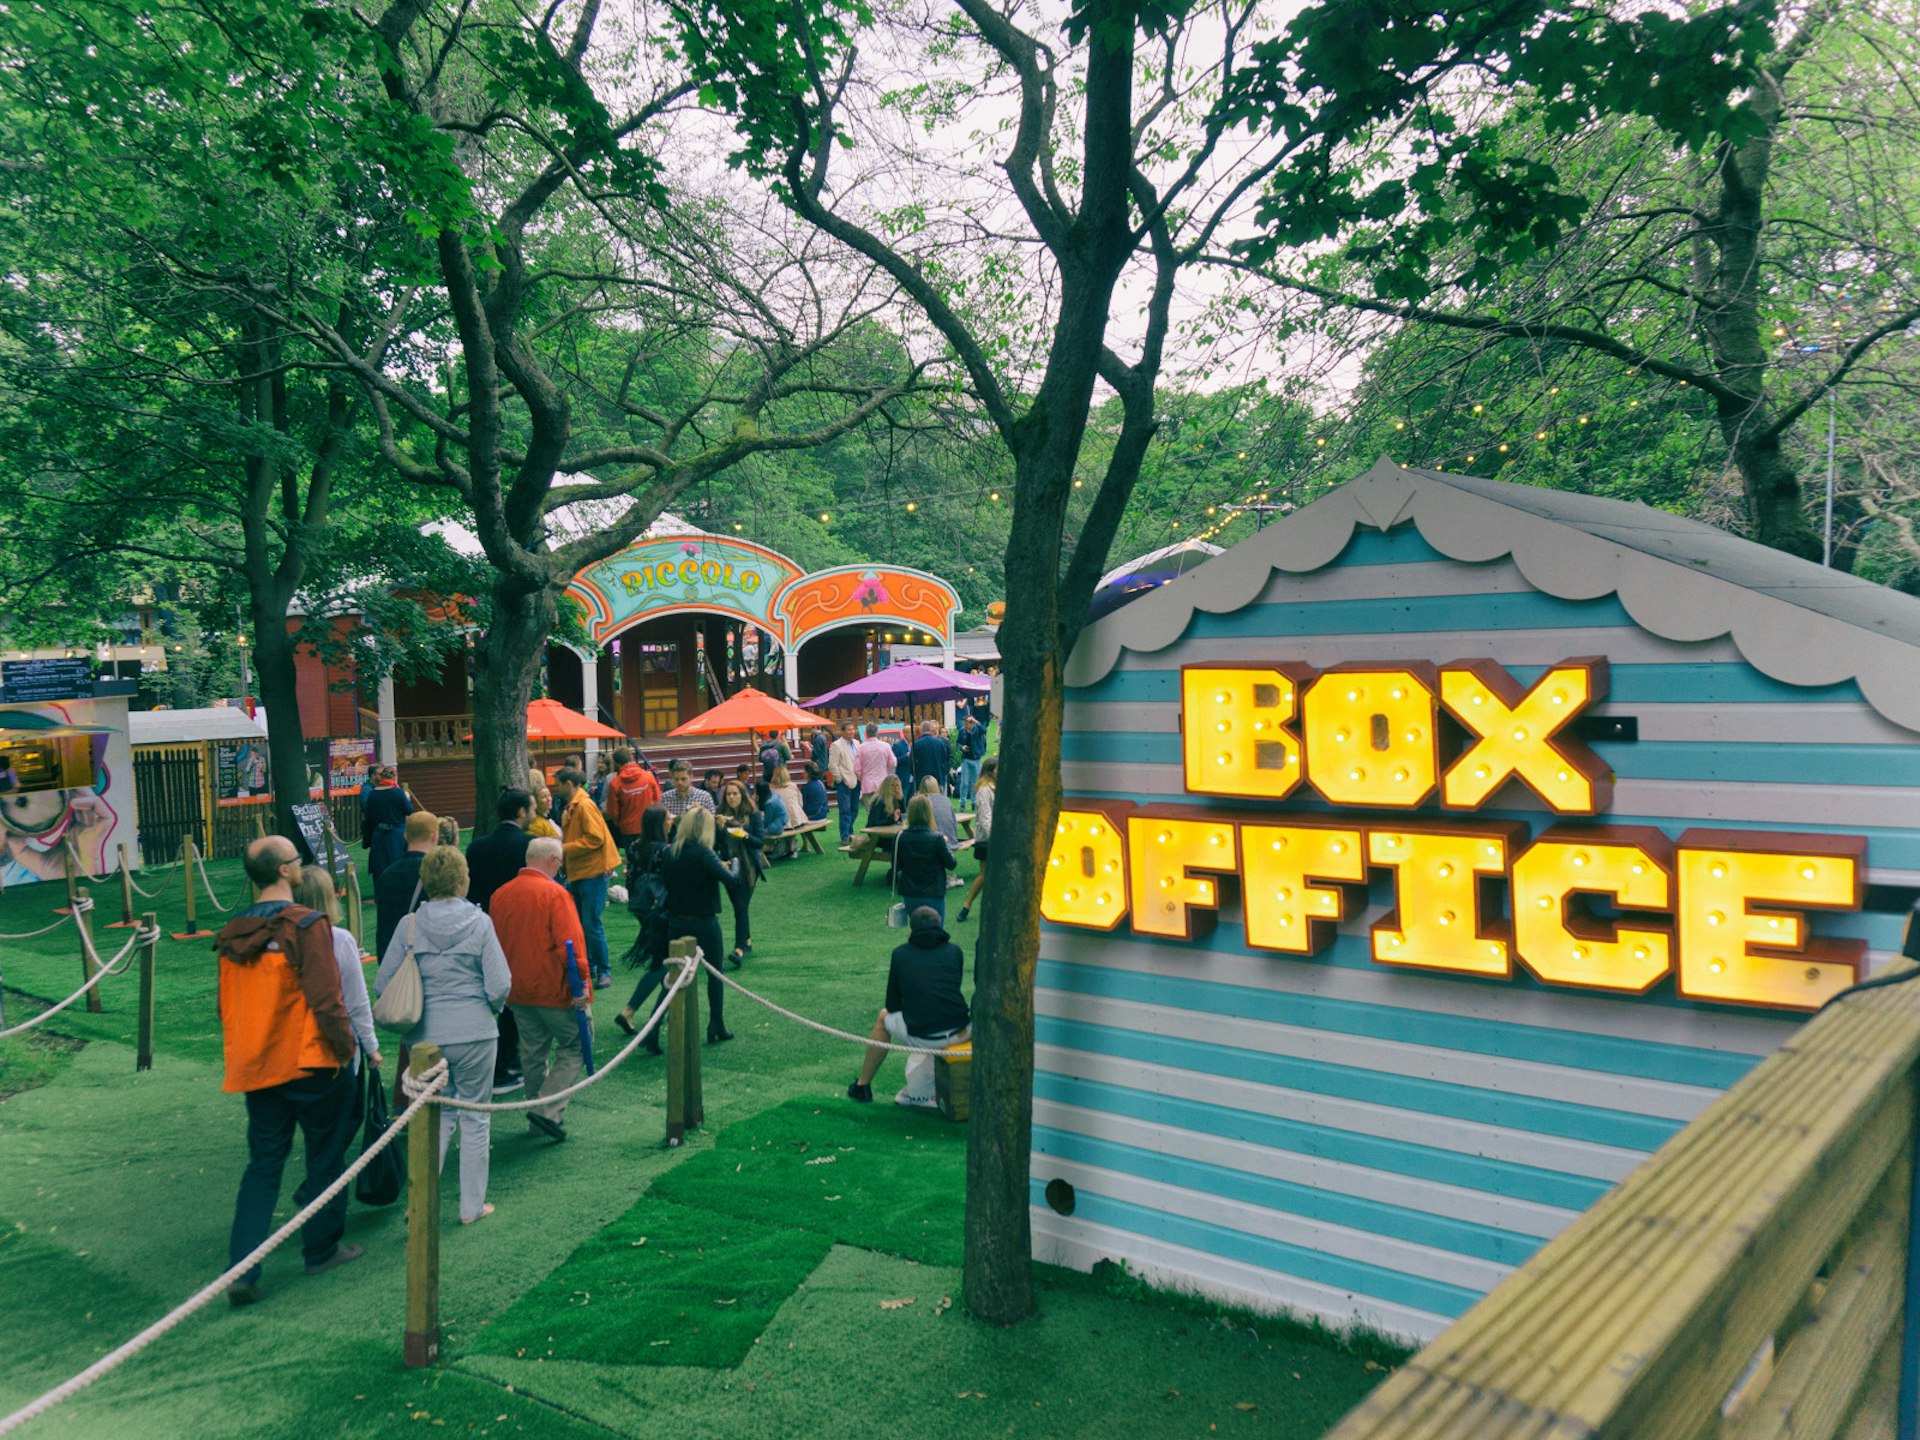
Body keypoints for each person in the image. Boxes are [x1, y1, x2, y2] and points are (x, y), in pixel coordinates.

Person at [217, 837, 360, 1306]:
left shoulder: (232, 933)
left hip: (259, 1066)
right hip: (310, 1062)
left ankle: (243, 1267)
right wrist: (344, 1051)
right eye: (296, 861)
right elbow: (326, 998)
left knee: (263, 1165)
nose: (301, 867)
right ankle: (321, 1248)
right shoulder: (307, 924)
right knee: (324, 1156)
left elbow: (225, 1008)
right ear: (283, 870)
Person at [374, 846, 512, 1225]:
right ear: (461, 880)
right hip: (475, 1032)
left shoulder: (410, 925)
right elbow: (500, 983)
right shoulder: (480, 923)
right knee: (474, 1117)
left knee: (434, 1118)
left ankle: (419, 1203)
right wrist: (487, 1009)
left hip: (424, 1038)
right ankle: (471, 1207)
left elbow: (383, 982)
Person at [489, 837, 593, 1143]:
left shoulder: (501, 895)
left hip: (517, 989)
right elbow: (570, 946)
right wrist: (582, 984)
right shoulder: (556, 894)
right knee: (575, 1045)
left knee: (533, 1053)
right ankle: (547, 1110)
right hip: (553, 989)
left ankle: (540, 1117)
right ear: (552, 861)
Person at [847, 907, 970, 1108]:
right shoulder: (955, 951)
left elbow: (892, 1005)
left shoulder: (900, 954)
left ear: (911, 930)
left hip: (924, 1035)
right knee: (934, 1015)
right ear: (939, 924)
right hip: (962, 1031)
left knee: (883, 1018)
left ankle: (862, 1085)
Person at [659, 808, 739, 1043]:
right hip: (704, 921)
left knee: (673, 976)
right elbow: (732, 881)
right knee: (715, 973)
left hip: (676, 920)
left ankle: (654, 1029)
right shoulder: (704, 853)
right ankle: (716, 1022)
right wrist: (734, 861)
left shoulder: (670, 852)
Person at [293, 866, 380, 1078]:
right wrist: (371, 1047)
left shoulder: (283, 938)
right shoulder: (340, 940)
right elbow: (356, 1000)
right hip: (334, 1043)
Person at [553, 766, 620, 988]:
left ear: (569, 784)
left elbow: (595, 839)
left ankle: (603, 970)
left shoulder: (583, 806)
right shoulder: (574, 806)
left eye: (558, 783)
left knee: (590, 923)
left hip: (594, 871)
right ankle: (591, 967)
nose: (556, 787)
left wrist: (565, 850)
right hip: (583, 871)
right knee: (584, 923)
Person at [615, 804, 673, 1049]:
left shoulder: (636, 846)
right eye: (667, 818)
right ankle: (634, 1013)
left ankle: (631, 1011)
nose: (671, 820)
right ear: (660, 823)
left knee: (660, 960)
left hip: (641, 907)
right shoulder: (666, 850)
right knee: (665, 964)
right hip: (661, 910)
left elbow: (630, 876)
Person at [374, 809, 440, 963]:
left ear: (405, 836)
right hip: (426, 957)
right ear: (435, 835)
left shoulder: (386, 875)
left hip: (392, 957)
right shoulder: (436, 873)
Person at [714, 780, 763, 965]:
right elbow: (716, 844)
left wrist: (745, 835)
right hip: (728, 867)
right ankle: (747, 939)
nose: (732, 797)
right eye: (728, 794)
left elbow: (759, 841)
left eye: (735, 794)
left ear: (742, 795)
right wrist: (718, 828)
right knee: (738, 906)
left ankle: (739, 948)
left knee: (741, 906)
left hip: (748, 867)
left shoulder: (753, 815)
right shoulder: (720, 816)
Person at [466, 790, 534, 914]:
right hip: (520, 913)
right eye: (533, 810)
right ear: (522, 812)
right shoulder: (532, 845)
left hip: (485, 915)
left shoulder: (476, 846)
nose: (534, 816)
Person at [894, 794, 956, 921]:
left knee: (916, 929)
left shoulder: (900, 837)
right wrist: (945, 843)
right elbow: (951, 863)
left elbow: (897, 865)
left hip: (911, 892)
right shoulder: (937, 838)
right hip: (933, 892)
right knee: (936, 930)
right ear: (929, 813)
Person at [956, 755, 995, 924]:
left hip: (994, 837)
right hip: (987, 840)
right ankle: (966, 906)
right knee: (984, 875)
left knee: (991, 876)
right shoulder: (984, 791)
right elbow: (985, 820)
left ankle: (971, 907)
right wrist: (997, 838)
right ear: (990, 772)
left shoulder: (995, 788)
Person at [604, 746, 662, 849]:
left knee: (633, 859)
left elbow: (613, 811)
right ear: (631, 758)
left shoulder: (615, 784)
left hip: (628, 828)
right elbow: (657, 799)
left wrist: (620, 824)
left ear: (616, 762)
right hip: (649, 825)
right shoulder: (648, 776)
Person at [363, 766, 414, 879]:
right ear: (394, 777)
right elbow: (409, 810)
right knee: (397, 866)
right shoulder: (398, 793)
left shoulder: (372, 794)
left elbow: (369, 815)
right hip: (397, 835)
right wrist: (407, 798)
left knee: (380, 868)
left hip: (379, 835)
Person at [828, 720, 861, 844]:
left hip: (857, 780)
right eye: (848, 729)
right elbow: (832, 765)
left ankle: (849, 831)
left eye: (852, 729)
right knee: (845, 810)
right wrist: (839, 779)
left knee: (855, 809)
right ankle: (845, 836)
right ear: (842, 732)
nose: (851, 732)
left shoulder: (857, 743)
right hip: (844, 782)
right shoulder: (836, 745)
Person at [661, 759, 716, 825]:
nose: (679, 783)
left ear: (691, 777)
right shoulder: (665, 798)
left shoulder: (705, 797)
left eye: (683, 779)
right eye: (676, 779)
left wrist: (703, 813)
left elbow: (712, 824)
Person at [853, 722, 895, 806]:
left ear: (866, 733)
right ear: (877, 732)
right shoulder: (886, 746)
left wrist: (863, 778)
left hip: (867, 784)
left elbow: (857, 769)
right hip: (883, 783)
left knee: (871, 812)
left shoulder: (861, 748)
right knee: (884, 810)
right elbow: (893, 763)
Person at [910, 719, 952, 796]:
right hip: (938, 778)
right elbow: (944, 760)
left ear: (921, 730)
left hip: (922, 780)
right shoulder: (940, 743)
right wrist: (943, 773)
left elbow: (912, 763)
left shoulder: (916, 744)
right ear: (930, 730)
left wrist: (915, 775)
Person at [917, 774, 959, 846]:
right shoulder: (946, 800)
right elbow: (954, 823)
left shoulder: (921, 800)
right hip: (951, 841)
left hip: (933, 843)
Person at [956, 712, 988, 804]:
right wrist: (962, 747)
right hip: (966, 759)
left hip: (976, 759)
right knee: (964, 783)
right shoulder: (962, 731)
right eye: (965, 722)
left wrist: (976, 721)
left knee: (975, 782)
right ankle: (962, 802)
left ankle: (974, 802)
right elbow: (958, 743)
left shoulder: (978, 730)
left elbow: (984, 730)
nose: (966, 724)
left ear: (972, 723)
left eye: (968, 722)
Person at [756, 779, 791, 861]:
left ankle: (761, 853)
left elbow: (767, 820)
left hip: (777, 826)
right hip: (784, 820)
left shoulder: (770, 803)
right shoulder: (773, 794)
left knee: (757, 832)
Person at [769, 765, 804, 833]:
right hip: (797, 819)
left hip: (779, 822)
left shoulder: (770, 789)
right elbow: (800, 802)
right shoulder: (793, 785)